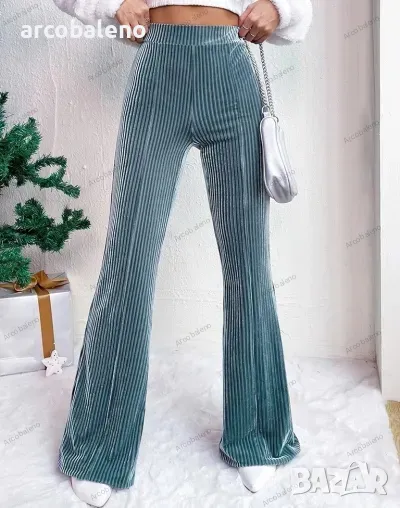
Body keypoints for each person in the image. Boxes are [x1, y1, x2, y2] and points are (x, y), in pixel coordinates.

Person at [52, 0, 312, 505]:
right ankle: (99, 446)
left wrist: (279, 9)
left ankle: (257, 434)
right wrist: (113, 5)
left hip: (232, 69)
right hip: (158, 70)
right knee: (127, 262)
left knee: (249, 263)